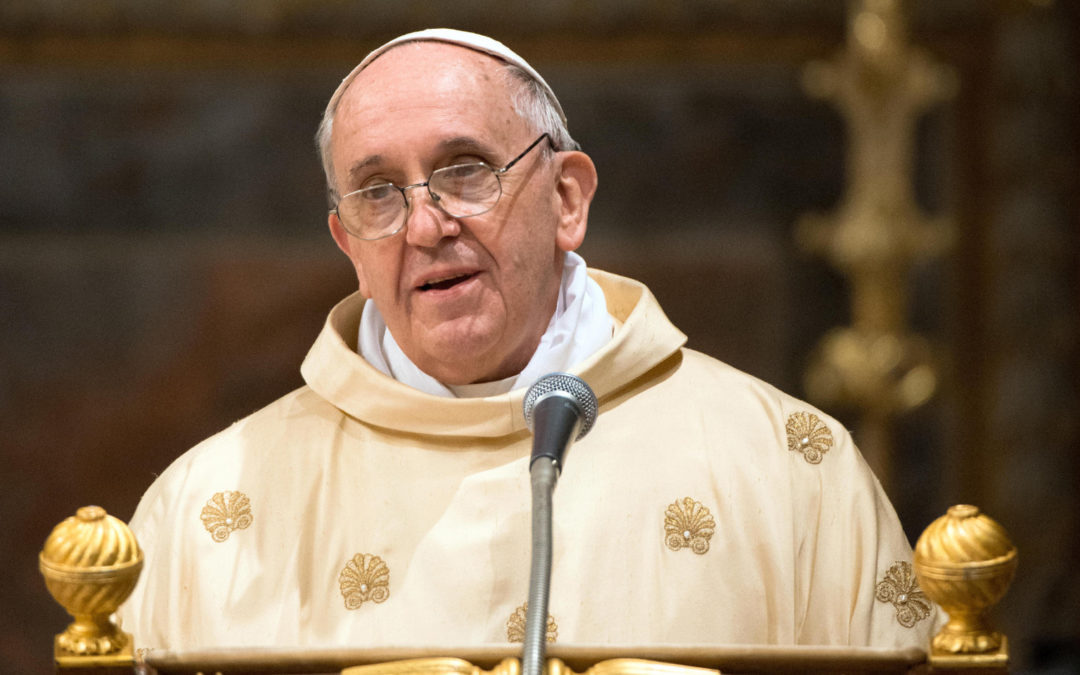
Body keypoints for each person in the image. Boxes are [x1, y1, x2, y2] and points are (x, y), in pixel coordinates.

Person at [119, 28, 938, 653]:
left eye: (465, 170)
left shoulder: (789, 468)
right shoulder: (203, 512)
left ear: (568, 198)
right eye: (379, 193)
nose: (427, 226)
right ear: (349, 247)